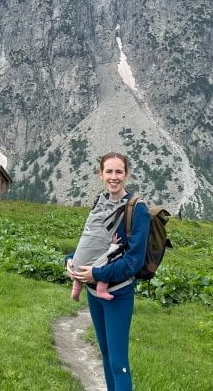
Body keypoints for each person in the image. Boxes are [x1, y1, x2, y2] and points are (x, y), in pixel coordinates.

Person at [66, 152, 150, 391]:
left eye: (119, 172)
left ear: (127, 174)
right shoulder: (100, 202)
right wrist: (71, 260)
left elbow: (134, 262)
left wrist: (98, 275)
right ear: (100, 174)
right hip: (94, 292)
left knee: (118, 362)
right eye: (109, 172)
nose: (114, 177)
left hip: (118, 294)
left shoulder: (138, 210)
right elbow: (92, 243)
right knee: (104, 353)